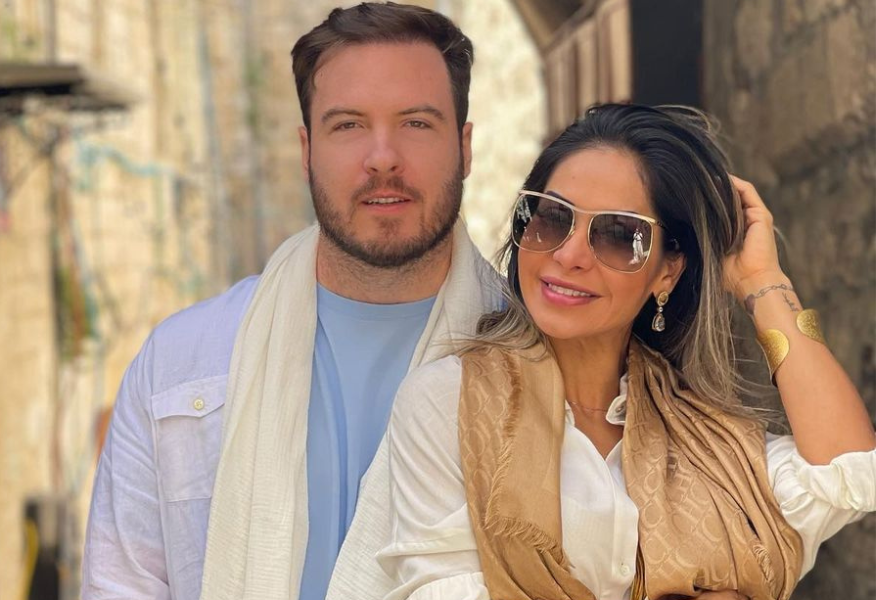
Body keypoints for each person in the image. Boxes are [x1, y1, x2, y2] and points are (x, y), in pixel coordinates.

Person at [327, 104, 876, 600]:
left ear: (667, 271)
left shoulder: (708, 441)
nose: (569, 254)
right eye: (551, 217)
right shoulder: (450, 402)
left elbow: (851, 473)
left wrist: (762, 281)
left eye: (619, 234)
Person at [81, 4, 502, 600]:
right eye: (348, 125)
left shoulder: (542, 363)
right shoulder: (179, 363)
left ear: (465, 146)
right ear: (306, 150)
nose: (383, 157)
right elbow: (119, 586)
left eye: (416, 122)